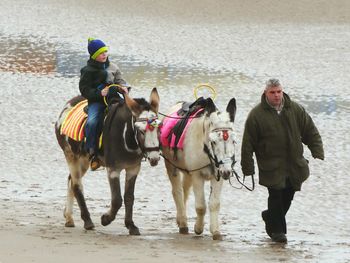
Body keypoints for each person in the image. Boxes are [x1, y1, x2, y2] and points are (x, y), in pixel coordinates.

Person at [241, 78, 324, 243]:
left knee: (289, 194)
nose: (277, 95)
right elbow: (247, 143)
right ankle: (278, 232)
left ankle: (270, 216)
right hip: (271, 165)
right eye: (272, 92)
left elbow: (310, 130)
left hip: (294, 164)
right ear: (266, 93)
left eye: (279, 91)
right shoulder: (256, 114)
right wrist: (247, 167)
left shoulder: (295, 109)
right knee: (276, 195)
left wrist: (317, 149)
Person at [79, 38, 129, 171]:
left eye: (105, 52)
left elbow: (121, 81)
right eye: (101, 53)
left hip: (114, 98)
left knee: (131, 114)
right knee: (92, 122)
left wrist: (123, 87)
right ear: (95, 55)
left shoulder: (113, 67)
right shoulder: (87, 70)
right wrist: (99, 93)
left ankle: (132, 146)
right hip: (97, 101)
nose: (104, 54)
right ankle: (92, 152)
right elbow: (84, 90)